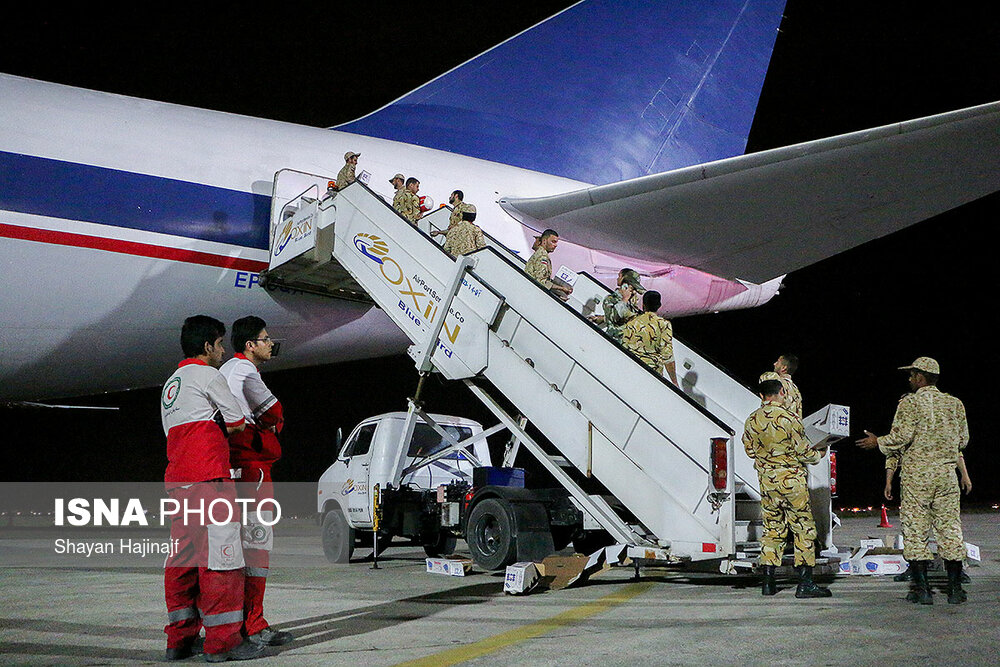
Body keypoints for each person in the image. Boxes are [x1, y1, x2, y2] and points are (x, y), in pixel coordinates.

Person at [160, 316, 265, 662]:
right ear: (207, 347)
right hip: (210, 480)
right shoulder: (208, 375)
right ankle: (224, 642)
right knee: (222, 560)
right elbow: (235, 423)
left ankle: (179, 640)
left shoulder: (170, 385)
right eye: (220, 344)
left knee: (182, 561)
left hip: (179, 483)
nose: (223, 350)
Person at [856, 357, 970, 604]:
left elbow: (901, 437)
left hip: (918, 477)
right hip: (946, 476)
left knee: (916, 531)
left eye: (911, 375)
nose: (909, 379)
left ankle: (923, 590)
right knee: (950, 528)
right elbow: (963, 441)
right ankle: (955, 589)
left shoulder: (910, 404)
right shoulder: (955, 404)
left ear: (920, 377)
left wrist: (878, 442)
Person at [220, 317, 294, 648]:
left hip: (227, 468)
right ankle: (254, 623)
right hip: (252, 468)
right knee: (258, 548)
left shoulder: (223, 373)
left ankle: (229, 623)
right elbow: (274, 413)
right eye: (265, 339)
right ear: (249, 345)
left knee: (231, 549)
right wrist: (272, 428)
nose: (270, 344)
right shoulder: (247, 372)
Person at [744, 378, 831, 599]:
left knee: (772, 530)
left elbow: (750, 451)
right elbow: (804, 453)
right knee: (803, 528)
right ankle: (805, 583)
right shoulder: (789, 418)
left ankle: (768, 582)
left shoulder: (752, 419)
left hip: (767, 483)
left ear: (762, 396)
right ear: (782, 392)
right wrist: (819, 454)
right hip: (792, 482)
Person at [621, 290, 677, 384]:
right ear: (659, 306)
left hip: (632, 369)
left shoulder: (632, 323)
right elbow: (667, 356)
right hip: (653, 374)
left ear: (643, 305)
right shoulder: (663, 325)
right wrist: (674, 381)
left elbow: (623, 348)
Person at [595, 268, 643, 343]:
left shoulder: (631, 303)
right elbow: (613, 318)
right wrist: (624, 299)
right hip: (614, 341)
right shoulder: (611, 299)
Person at [524, 229, 573, 300]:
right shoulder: (542, 257)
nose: (555, 245)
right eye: (553, 242)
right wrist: (562, 289)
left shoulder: (541, 254)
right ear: (544, 241)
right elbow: (541, 281)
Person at [759, 354, 802, 420]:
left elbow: (762, 380)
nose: (774, 364)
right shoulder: (797, 393)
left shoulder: (773, 378)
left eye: (778, 362)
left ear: (784, 368)